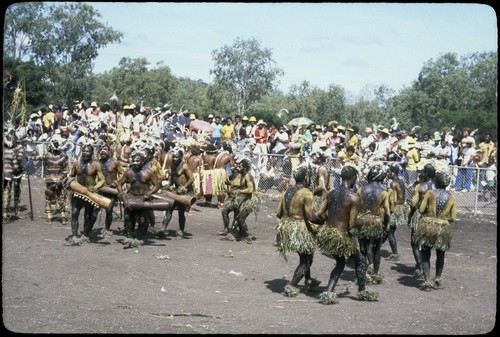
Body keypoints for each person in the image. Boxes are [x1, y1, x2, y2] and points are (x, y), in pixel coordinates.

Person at [315, 165, 378, 304]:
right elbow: (352, 223)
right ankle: (362, 291)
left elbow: (319, 214)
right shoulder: (353, 198)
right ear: (353, 178)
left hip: (328, 234)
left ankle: (328, 293)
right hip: (341, 236)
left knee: (340, 263)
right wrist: (367, 222)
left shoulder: (331, 193)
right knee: (361, 260)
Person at [275, 164, 323, 297]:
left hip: (286, 227)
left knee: (305, 254)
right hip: (299, 228)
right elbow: (311, 216)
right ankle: (291, 286)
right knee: (307, 260)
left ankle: (308, 280)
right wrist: (324, 221)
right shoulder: (306, 193)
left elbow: (279, 213)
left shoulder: (287, 191)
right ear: (306, 178)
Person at [415, 170, 456, 291]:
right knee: (440, 254)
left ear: (436, 182)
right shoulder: (452, 197)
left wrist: (429, 214)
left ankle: (427, 281)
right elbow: (453, 218)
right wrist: (443, 218)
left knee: (426, 253)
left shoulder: (430, 193)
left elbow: (421, 210)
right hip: (443, 227)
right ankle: (437, 280)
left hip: (428, 225)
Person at [115, 148, 161, 248]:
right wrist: (122, 194)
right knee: (128, 218)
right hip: (131, 197)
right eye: (134, 161)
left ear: (142, 161)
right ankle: (129, 237)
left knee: (142, 220)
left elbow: (157, 185)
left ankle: (139, 238)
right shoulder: (128, 172)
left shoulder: (148, 172)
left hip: (144, 199)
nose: (135, 163)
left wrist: (150, 193)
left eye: (138, 161)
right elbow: (119, 183)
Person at [24, 134, 70, 225]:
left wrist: (28, 157)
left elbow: (36, 158)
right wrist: (63, 179)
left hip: (50, 180)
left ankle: (49, 219)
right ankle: (63, 218)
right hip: (59, 180)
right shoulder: (63, 156)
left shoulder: (47, 156)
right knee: (61, 199)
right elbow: (65, 171)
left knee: (48, 199)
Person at [356, 163, 391, 284]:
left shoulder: (361, 190)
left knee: (363, 249)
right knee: (376, 249)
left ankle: (364, 273)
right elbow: (387, 212)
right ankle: (375, 274)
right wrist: (386, 225)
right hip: (376, 222)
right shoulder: (384, 192)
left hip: (362, 220)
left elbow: (356, 207)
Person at [66, 143, 106, 245]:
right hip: (77, 192)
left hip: (90, 193)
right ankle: (74, 236)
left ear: (92, 153)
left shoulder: (96, 165)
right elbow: (71, 175)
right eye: (84, 151)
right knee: (74, 213)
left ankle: (86, 235)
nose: (85, 153)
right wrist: (68, 181)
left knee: (88, 215)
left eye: (87, 151)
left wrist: (95, 187)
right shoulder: (76, 163)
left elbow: (102, 180)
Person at [219, 157, 260, 242]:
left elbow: (250, 189)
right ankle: (227, 229)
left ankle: (244, 234)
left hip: (249, 200)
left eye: (240, 166)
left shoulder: (248, 176)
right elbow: (239, 185)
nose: (238, 167)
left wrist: (238, 192)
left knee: (240, 219)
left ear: (245, 168)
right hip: (241, 198)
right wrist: (230, 183)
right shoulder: (241, 175)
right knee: (225, 211)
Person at [408, 163, 436, 276]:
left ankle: (419, 265)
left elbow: (414, 203)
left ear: (426, 173)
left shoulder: (420, 186)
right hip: (433, 217)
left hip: (420, 216)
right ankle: (426, 268)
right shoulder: (438, 186)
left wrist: (410, 215)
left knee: (414, 242)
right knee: (427, 244)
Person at [162, 147, 195, 238]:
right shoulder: (172, 166)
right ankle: (163, 228)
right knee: (169, 210)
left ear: (181, 156)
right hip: (175, 191)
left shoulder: (185, 166)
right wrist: (168, 185)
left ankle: (181, 230)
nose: (174, 159)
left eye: (176, 157)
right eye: (173, 157)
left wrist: (183, 188)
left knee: (181, 212)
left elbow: (192, 178)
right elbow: (173, 178)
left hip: (183, 192)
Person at [95, 141, 124, 236]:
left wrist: (116, 182)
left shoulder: (115, 162)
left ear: (109, 151)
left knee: (109, 209)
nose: (103, 151)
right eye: (101, 150)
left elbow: (124, 174)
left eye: (105, 149)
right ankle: (89, 229)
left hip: (111, 190)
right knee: (95, 210)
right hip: (100, 189)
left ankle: (107, 229)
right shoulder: (97, 163)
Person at [385, 163, 409, 261]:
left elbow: (393, 200)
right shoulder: (401, 181)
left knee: (390, 232)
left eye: (389, 171)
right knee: (389, 232)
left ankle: (395, 254)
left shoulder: (393, 183)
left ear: (393, 172)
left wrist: (389, 211)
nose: (388, 173)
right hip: (401, 208)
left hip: (395, 209)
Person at [3, 125, 25, 221]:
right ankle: (5, 212)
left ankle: (16, 204)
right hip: (10, 172)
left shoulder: (19, 147)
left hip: (16, 172)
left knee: (16, 188)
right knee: (6, 193)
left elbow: (20, 158)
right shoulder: (8, 148)